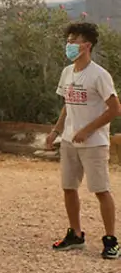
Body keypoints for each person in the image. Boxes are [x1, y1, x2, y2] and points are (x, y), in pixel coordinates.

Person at [45, 22, 120, 259]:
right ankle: (75, 234)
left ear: (86, 45)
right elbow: (67, 104)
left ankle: (111, 240)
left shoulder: (99, 75)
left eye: (74, 40)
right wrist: (56, 131)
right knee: (69, 188)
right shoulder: (67, 72)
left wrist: (87, 130)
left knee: (100, 190)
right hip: (69, 142)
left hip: (94, 144)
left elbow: (114, 109)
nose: (69, 44)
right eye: (68, 39)